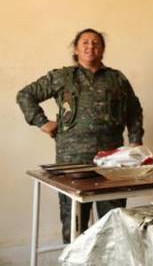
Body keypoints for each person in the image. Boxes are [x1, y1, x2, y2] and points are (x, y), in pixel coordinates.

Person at [17, 28, 144, 243]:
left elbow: (133, 109)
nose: (90, 46)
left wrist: (135, 140)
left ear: (102, 49)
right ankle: (75, 257)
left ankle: (109, 258)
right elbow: (25, 95)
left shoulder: (116, 78)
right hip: (72, 161)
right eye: (85, 42)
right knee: (74, 222)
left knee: (114, 221)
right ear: (76, 49)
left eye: (96, 43)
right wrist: (42, 122)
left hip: (112, 161)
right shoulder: (61, 77)